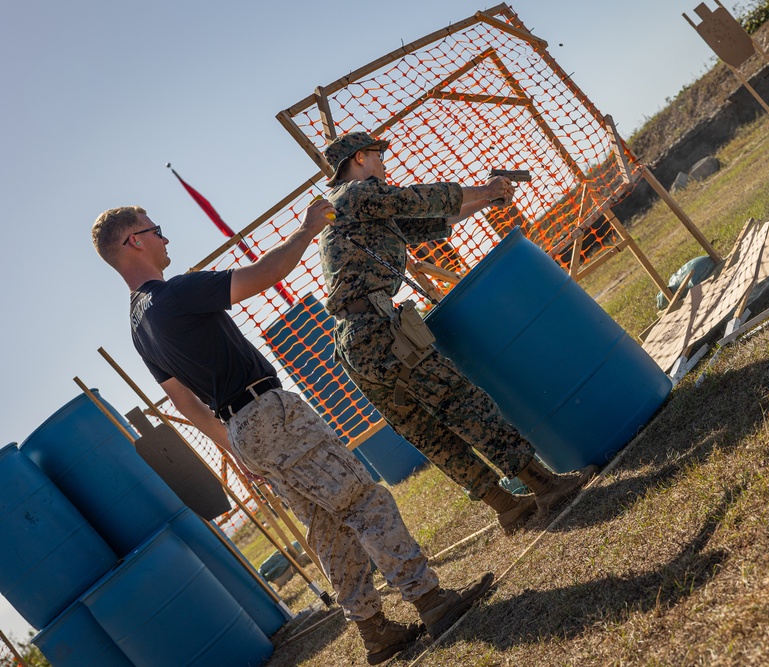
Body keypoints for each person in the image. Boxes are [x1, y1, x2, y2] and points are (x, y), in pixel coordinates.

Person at [91, 204, 492, 665]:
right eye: (155, 230)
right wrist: (306, 230)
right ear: (133, 242)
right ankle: (431, 601)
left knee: (327, 528)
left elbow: (186, 405)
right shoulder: (175, 294)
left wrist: (237, 448)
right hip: (269, 411)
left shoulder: (139, 328)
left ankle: (376, 632)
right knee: (363, 501)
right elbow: (265, 274)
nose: (165, 238)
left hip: (244, 428)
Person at [317, 132, 598, 534]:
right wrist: (482, 188)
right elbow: (418, 199)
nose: (383, 163)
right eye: (378, 156)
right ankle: (544, 485)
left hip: (355, 341)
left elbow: (428, 223)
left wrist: (485, 198)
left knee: (426, 431)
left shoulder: (354, 209)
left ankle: (506, 506)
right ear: (360, 157)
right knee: (460, 401)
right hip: (377, 331)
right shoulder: (357, 194)